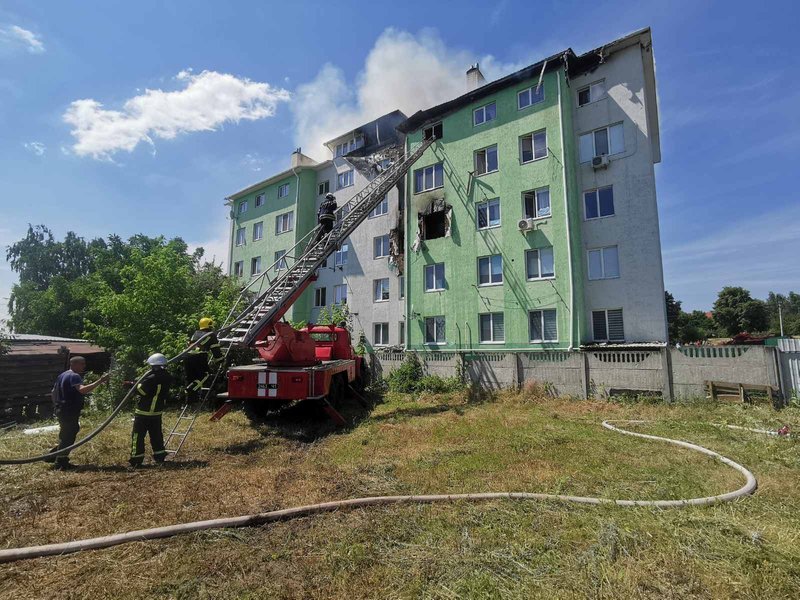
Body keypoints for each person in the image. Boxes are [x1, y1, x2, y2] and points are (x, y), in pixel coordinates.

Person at [47, 356, 109, 470]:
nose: (84, 366)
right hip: (69, 410)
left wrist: (56, 405)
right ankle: (60, 462)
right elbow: (82, 390)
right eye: (82, 364)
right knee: (68, 436)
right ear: (74, 364)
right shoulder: (74, 376)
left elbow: (53, 392)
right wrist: (100, 381)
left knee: (68, 433)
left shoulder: (63, 375)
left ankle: (53, 456)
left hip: (61, 409)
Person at [130, 353, 172, 467]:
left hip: (143, 412)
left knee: (137, 436)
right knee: (156, 435)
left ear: (153, 365)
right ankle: (160, 456)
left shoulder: (150, 378)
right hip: (157, 412)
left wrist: (132, 385)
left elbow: (142, 391)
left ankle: (136, 459)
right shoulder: (167, 376)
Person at [184, 317, 222, 403]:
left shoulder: (195, 333)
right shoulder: (211, 335)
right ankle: (191, 389)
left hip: (187, 357)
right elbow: (215, 349)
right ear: (210, 325)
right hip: (198, 357)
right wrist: (220, 360)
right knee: (205, 375)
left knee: (190, 378)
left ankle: (190, 400)